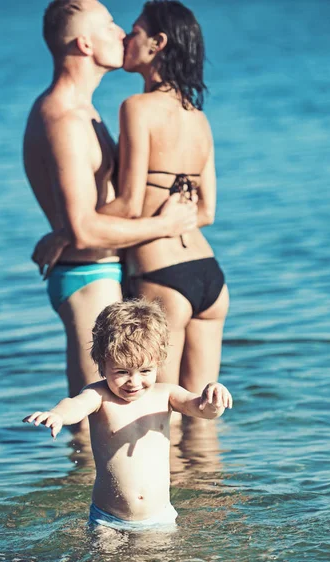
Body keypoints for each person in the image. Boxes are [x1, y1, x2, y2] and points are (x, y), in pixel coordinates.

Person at [23, 0, 197, 400]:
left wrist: (65, 233)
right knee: (96, 425)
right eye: (109, 26)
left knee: (123, 417)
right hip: (88, 279)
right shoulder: (64, 119)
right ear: (85, 44)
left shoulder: (84, 111)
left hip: (99, 270)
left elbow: (79, 223)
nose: (122, 33)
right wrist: (167, 225)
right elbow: (85, 229)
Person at [23, 299, 233, 532]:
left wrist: (214, 399)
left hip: (159, 517)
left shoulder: (166, 394)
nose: (134, 382)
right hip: (108, 520)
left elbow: (202, 410)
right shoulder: (98, 395)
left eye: (145, 371)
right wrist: (58, 415)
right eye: (122, 372)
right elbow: (75, 405)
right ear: (102, 365)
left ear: (158, 363)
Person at [117, 0, 230, 397]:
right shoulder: (198, 117)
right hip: (208, 276)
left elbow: (130, 205)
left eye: (134, 32)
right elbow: (207, 212)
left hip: (162, 275)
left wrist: (72, 229)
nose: (126, 39)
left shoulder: (137, 107)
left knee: (160, 417)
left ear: (157, 43)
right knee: (203, 414)